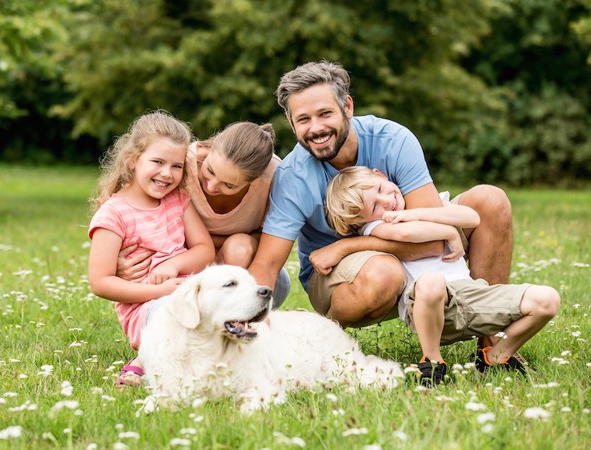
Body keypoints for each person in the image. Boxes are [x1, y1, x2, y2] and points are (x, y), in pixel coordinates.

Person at [248, 60, 514, 346]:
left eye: (325, 114)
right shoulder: (293, 176)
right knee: (384, 271)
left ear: (347, 107)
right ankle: (327, 344)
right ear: (291, 123)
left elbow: (435, 241)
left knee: (491, 201)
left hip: (412, 243)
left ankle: (493, 347)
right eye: (303, 120)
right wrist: (245, 326)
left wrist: (347, 244)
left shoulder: (393, 140)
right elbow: (267, 264)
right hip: (344, 277)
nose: (316, 128)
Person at [325, 166, 560, 386]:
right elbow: (406, 233)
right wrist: (448, 230)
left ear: (381, 175)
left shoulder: (422, 205)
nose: (387, 201)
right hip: (429, 303)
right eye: (375, 206)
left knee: (547, 300)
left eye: (379, 189)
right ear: (361, 222)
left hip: (471, 294)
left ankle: (496, 357)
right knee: (432, 280)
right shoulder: (375, 227)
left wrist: (417, 212)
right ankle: (432, 362)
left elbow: (472, 218)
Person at [87, 110, 215, 388]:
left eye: (177, 166)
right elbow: (100, 282)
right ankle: (145, 360)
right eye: (157, 162)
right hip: (148, 308)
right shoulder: (114, 215)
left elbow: (205, 250)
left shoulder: (177, 200)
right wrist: (160, 291)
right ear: (133, 160)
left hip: (186, 292)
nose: (167, 174)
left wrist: (174, 265)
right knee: (172, 311)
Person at [116, 122, 291, 306]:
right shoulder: (180, 163)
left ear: (255, 180)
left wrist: (205, 245)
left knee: (238, 247)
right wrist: (118, 260)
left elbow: (273, 244)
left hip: (258, 280)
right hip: (188, 270)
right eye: (210, 170)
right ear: (209, 149)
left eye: (229, 185)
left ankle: (233, 313)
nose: (211, 186)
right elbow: (132, 206)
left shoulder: (274, 177)